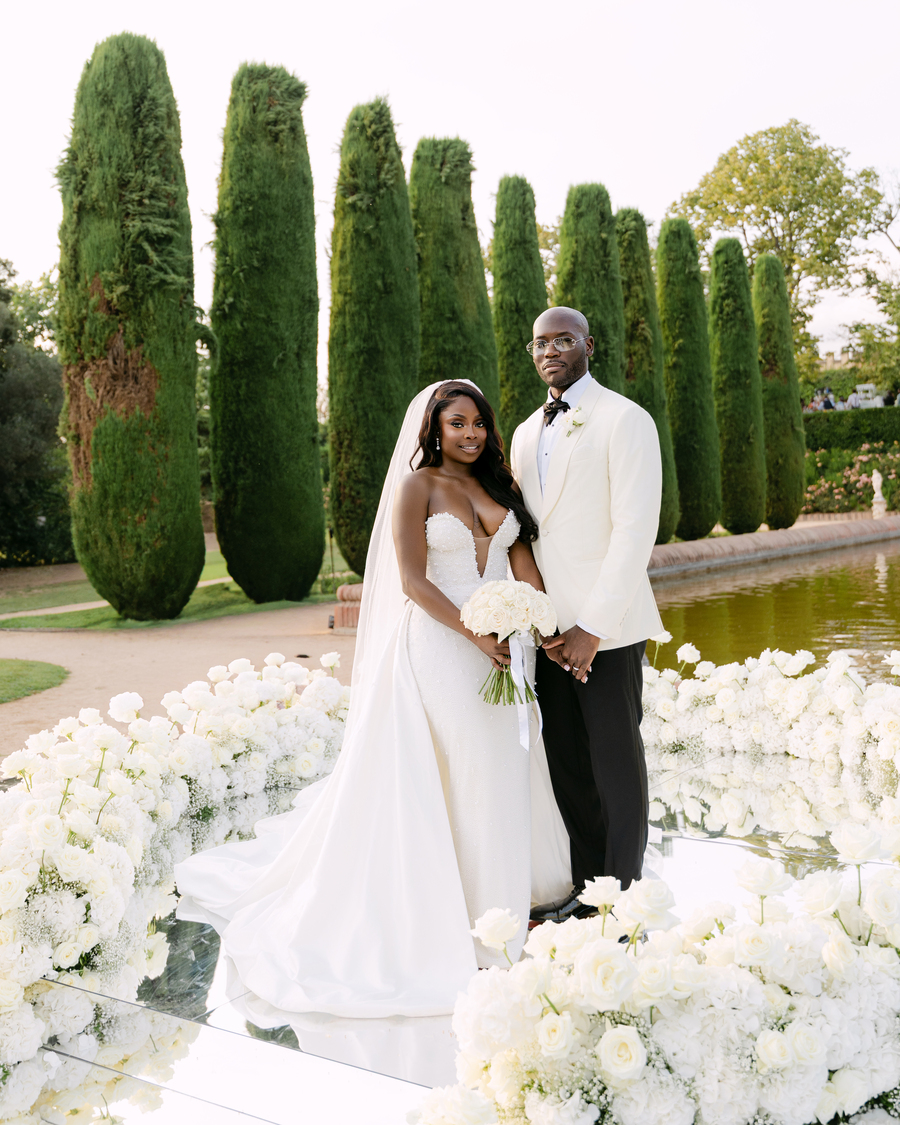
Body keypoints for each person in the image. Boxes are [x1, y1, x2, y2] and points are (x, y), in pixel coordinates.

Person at [174, 380, 571, 1018]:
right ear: (435, 430)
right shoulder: (419, 488)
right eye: (457, 424)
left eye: (478, 423)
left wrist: (541, 627)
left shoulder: (502, 489)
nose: (469, 434)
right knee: (462, 765)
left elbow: (524, 568)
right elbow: (413, 581)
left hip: (508, 645)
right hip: (443, 646)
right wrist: (476, 632)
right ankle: (462, 915)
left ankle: (506, 903)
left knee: (501, 763)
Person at [511, 308, 663, 924]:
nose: (551, 350)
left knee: (615, 760)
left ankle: (623, 901)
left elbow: (634, 531)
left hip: (609, 628)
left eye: (564, 339)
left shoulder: (625, 419)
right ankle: (587, 888)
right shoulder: (524, 432)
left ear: (588, 346)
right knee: (567, 761)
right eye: (541, 342)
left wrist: (592, 627)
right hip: (547, 632)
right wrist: (540, 623)